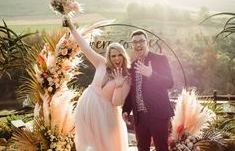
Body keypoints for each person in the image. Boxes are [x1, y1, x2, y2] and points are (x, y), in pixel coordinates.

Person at [66, 17, 131, 151]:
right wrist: (72, 28)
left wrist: (118, 85)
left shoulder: (126, 78)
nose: (117, 58)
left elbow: (116, 103)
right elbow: (84, 46)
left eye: (119, 55)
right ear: (109, 57)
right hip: (86, 108)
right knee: (88, 145)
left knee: (104, 147)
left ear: (124, 56)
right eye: (113, 56)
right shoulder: (101, 63)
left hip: (105, 116)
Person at [122, 30, 174, 151]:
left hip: (159, 115)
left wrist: (151, 74)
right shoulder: (132, 66)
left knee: (161, 148)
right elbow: (132, 92)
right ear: (132, 45)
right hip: (140, 118)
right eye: (135, 42)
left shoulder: (160, 59)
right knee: (141, 148)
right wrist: (126, 109)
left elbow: (170, 82)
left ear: (148, 43)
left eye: (141, 41)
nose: (138, 44)